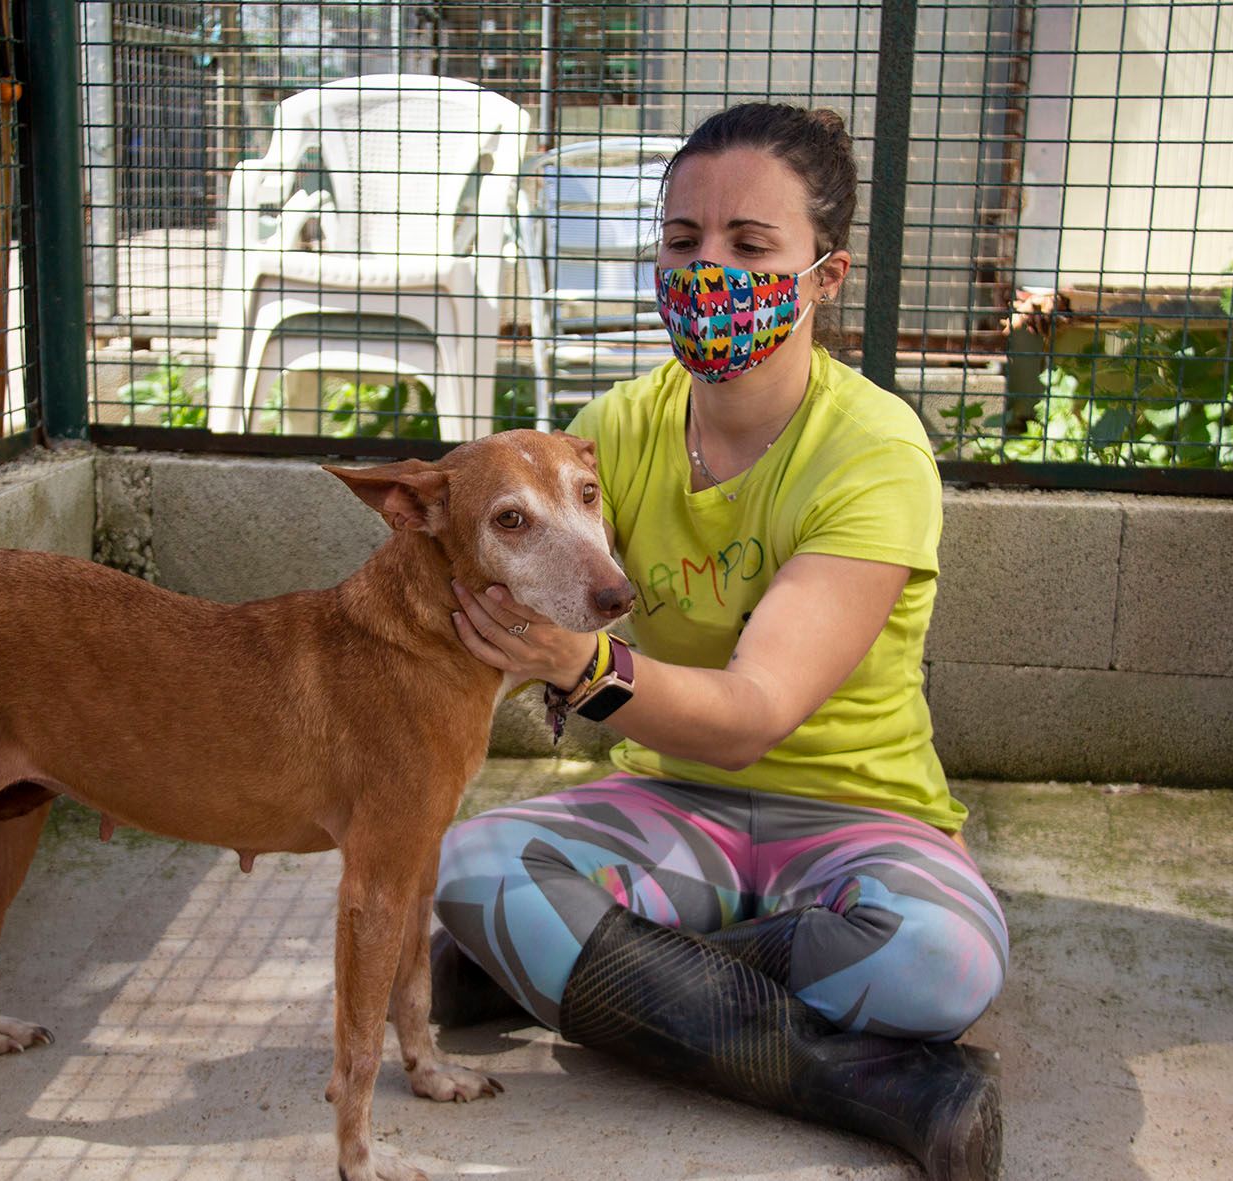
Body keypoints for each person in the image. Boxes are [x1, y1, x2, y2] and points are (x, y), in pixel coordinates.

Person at [431, 103, 1008, 1181]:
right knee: (472, 868)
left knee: (942, 962)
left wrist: (581, 667)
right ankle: (886, 1087)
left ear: (825, 276)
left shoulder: (872, 452)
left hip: (853, 819)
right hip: (674, 805)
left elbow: (752, 716)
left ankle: (578, 972)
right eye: (683, 239)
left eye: (749, 246)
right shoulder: (609, 437)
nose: (708, 271)